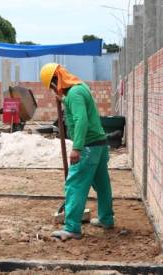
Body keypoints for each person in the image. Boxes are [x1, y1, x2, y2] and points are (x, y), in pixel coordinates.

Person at [40, 63, 114, 240]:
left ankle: (72, 227)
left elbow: (81, 120)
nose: (52, 89)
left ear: (57, 80)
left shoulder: (74, 93)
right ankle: (106, 218)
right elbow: (79, 108)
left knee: (75, 185)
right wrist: (62, 100)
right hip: (99, 144)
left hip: (88, 147)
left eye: (51, 85)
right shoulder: (80, 88)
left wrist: (77, 148)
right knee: (102, 184)